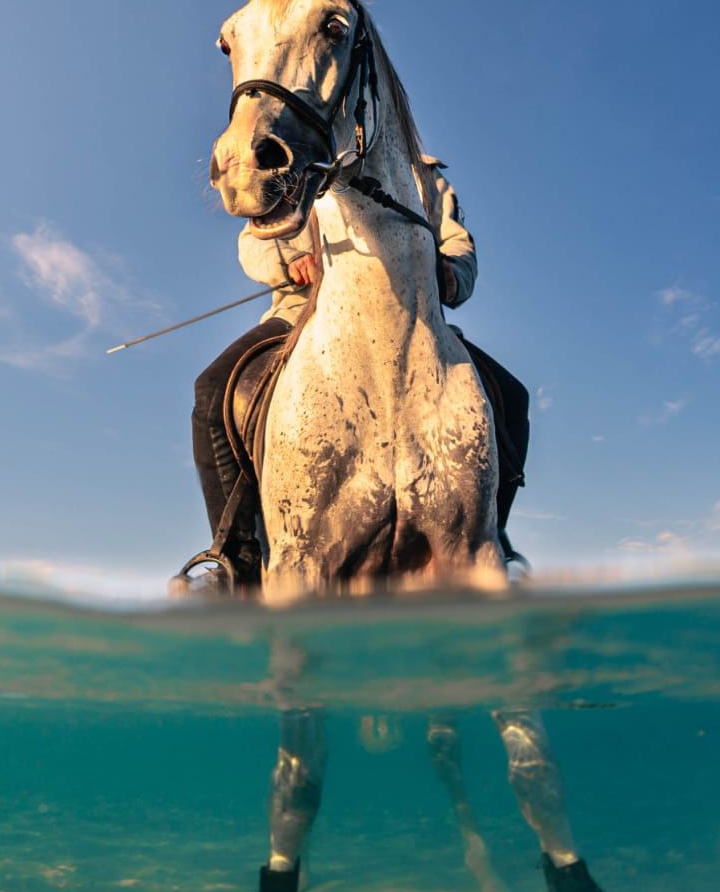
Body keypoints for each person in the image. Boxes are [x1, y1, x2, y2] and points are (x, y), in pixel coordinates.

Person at [186, 157, 531, 588]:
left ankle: (494, 534)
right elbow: (255, 239)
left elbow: (458, 242)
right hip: (304, 311)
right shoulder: (298, 159)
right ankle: (233, 557)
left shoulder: (426, 176)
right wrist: (292, 263)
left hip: (416, 320)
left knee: (513, 398)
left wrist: (453, 274)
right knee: (212, 391)